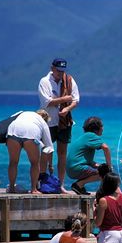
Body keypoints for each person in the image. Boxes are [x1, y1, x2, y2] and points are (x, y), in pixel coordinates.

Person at [38, 58, 80, 194]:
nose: (60, 74)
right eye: (58, 71)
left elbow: (76, 100)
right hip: (48, 122)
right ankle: (41, 181)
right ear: (52, 68)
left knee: (62, 154)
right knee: (46, 152)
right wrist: (65, 99)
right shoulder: (44, 82)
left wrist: (67, 109)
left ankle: (61, 185)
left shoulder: (69, 80)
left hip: (64, 122)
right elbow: (46, 102)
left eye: (63, 71)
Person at [6, 110, 54, 194]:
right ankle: (33, 189)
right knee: (35, 163)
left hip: (13, 130)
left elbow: (10, 119)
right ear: (45, 119)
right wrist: (50, 165)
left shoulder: (22, 113)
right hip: (31, 133)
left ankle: (12, 188)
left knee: (13, 162)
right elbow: (49, 147)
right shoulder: (43, 122)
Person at [66, 116, 111, 195]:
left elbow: (87, 161)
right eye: (102, 126)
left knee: (102, 170)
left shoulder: (85, 137)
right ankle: (78, 185)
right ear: (97, 128)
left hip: (71, 169)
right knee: (105, 173)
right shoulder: (91, 136)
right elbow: (106, 148)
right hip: (77, 168)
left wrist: (98, 166)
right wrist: (109, 166)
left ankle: (80, 187)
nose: (103, 128)